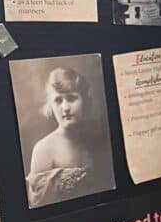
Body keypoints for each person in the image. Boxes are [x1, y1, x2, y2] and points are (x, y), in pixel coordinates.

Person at [26, 66, 115, 207]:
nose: (65, 108)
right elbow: (42, 208)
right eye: (58, 100)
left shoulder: (96, 138)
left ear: (84, 100)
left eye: (72, 98)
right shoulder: (43, 150)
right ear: (50, 105)